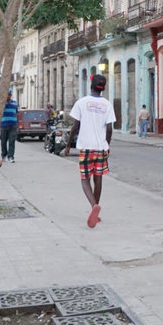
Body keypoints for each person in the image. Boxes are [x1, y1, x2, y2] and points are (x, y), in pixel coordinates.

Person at [65, 74, 116, 228]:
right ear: (103, 88)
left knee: (85, 179)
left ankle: (94, 206)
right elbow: (109, 129)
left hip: (86, 147)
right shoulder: (107, 104)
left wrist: (68, 145)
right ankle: (96, 211)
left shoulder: (81, 103)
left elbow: (75, 126)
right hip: (100, 147)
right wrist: (107, 145)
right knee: (98, 179)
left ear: (90, 86)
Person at [0, 89, 18, 163]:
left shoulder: (15, 103)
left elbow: (16, 113)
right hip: (3, 125)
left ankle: (11, 156)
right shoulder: (2, 104)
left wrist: (17, 124)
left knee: (12, 141)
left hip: (13, 125)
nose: (8, 96)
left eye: (9, 94)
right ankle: (4, 155)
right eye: (7, 94)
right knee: (3, 141)